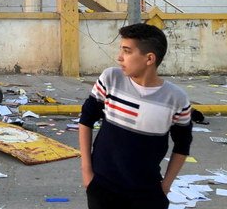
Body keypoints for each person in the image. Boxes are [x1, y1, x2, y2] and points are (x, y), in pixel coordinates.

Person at [79, 23, 193, 209]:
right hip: (102, 188)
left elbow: (182, 145)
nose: (119, 58)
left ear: (149, 58)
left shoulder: (176, 99)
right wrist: (87, 171)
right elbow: (86, 119)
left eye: (127, 51)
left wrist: (166, 185)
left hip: (147, 193)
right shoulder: (110, 79)